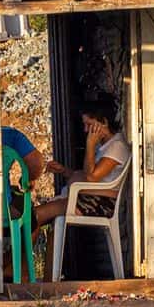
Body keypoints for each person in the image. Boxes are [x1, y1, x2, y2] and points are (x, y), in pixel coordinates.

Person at [33, 97, 130, 228]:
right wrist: (64, 171)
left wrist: (90, 144)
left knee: (36, 216)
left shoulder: (116, 147)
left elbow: (91, 178)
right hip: (88, 197)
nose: (85, 130)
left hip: (102, 203)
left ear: (105, 122)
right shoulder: (105, 146)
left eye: (89, 124)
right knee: (35, 219)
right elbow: (87, 174)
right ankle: (25, 248)